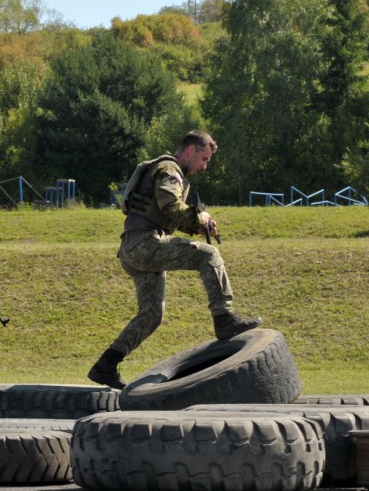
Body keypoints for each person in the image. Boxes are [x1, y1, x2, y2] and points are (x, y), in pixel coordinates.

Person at [88, 130, 262, 390]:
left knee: (151, 314)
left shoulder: (165, 169)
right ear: (190, 151)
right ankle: (224, 318)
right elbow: (170, 205)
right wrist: (201, 218)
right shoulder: (170, 169)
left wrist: (198, 224)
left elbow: (164, 214)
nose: (204, 166)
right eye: (204, 159)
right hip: (145, 244)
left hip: (133, 248)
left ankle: (106, 365)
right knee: (209, 254)